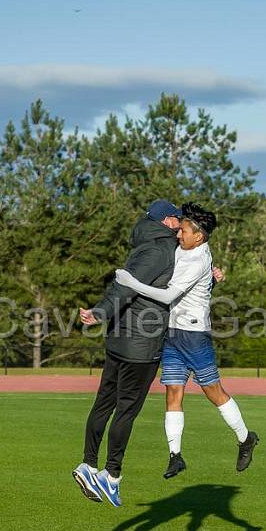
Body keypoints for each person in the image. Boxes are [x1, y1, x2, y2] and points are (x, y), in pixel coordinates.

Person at [115, 203, 258, 479]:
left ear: (199, 237)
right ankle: (175, 456)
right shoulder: (184, 248)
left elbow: (169, 296)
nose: (178, 235)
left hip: (194, 336)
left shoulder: (199, 259)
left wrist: (131, 282)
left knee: (213, 392)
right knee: (172, 392)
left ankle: (245, 438)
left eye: (183, 231)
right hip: (172, 333)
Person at [72, 199, 181, 508]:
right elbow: (126, 288)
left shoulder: (149, 244)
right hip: (140, 346)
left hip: (121, 340)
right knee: (126, 411)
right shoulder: (161, 250)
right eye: (177, 218)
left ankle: (88, 465)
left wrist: (208, 277)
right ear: (165, 221)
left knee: (104, 405)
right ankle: (111, 474)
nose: (181, 223)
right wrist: (102, 311)